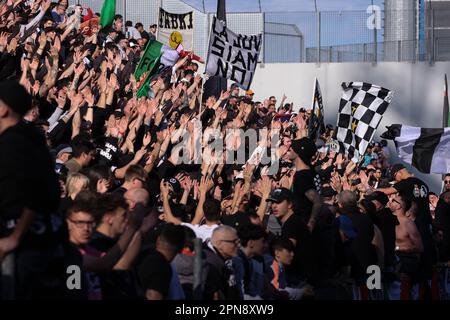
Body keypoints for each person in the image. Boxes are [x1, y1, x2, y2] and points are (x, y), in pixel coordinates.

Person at [0, 81, 61, 299]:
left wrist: (15, 237)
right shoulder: (31, 138)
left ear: (3, 109)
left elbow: (35, 192)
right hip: (42, 237)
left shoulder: (13, 144)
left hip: (23, 243)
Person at [267, 188, 318, 287]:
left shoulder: (292, 224)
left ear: (290, 204)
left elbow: (287, 249)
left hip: (299, 279)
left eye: (278, 202)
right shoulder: (292, 221)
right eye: (272, 202)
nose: (274, 206)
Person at [387, 194, 424, 300]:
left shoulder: (408, 224)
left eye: (394, 200)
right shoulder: (388, 220)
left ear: (399, 206)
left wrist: (398, 248)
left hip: (405, 264)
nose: (390, 201)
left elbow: (420, 247)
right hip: (393, 262)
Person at [136, 223, 185, 300]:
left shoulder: (143, 256)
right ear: (181, 249)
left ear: (158, 239)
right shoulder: (161, 266)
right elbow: (153, 296)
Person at [203, 225, 241, 300]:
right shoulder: (209, 264)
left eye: (239, 242)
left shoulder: (219, 260)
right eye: (234, 242)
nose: (239, 245)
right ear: (219, 244)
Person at [233, 224, 267, 299]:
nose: (265, 245)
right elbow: (239, 295)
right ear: (251, 243)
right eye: (263, 241)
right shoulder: (237, 261)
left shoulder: (249, 261)